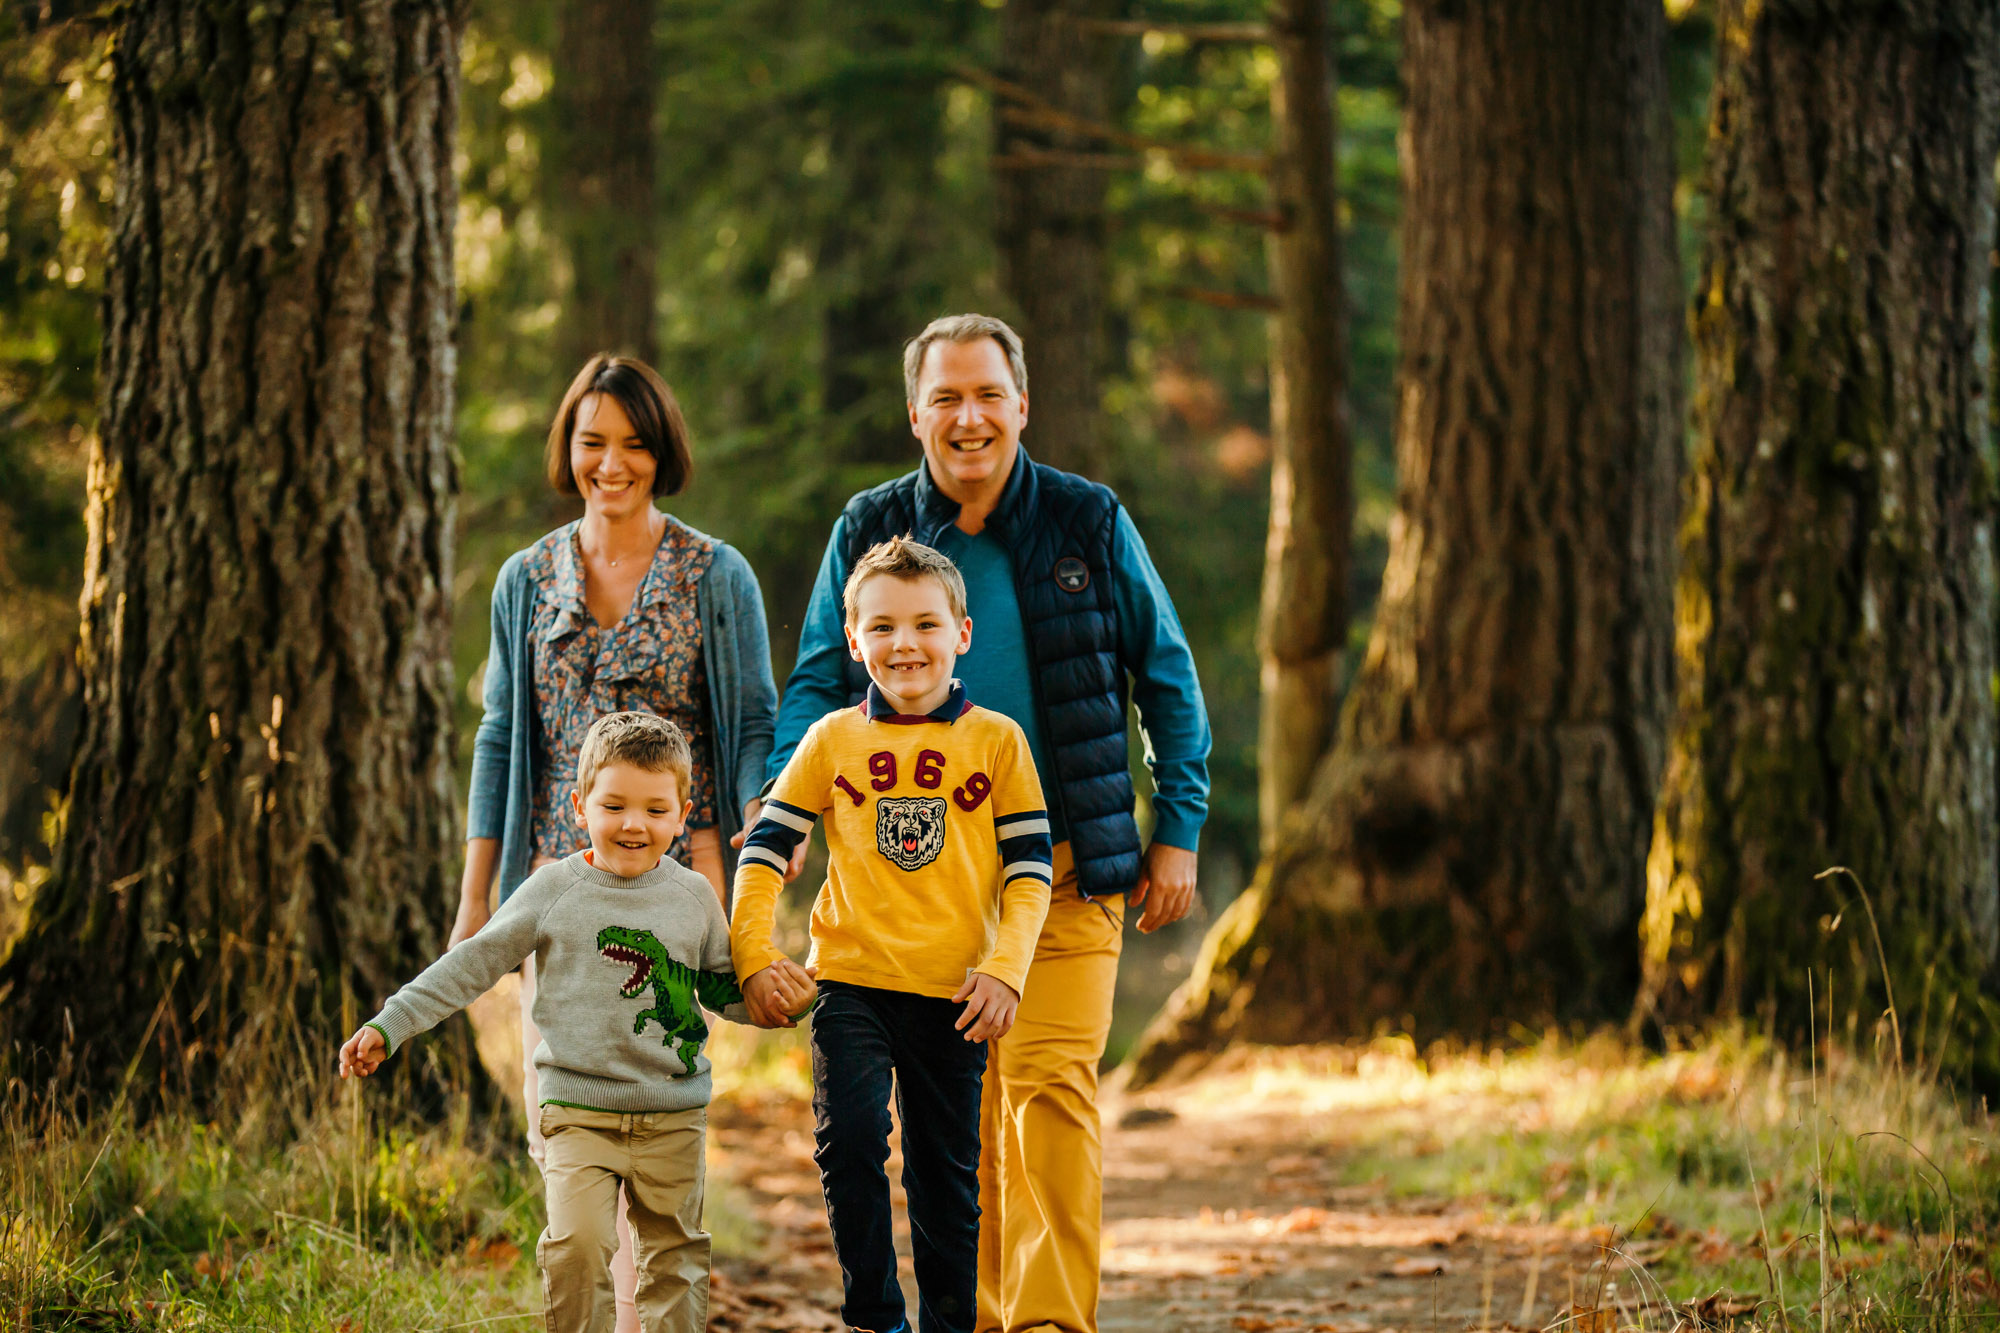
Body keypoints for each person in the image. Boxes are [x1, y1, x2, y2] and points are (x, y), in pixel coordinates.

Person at [766, 314, 1211, 1333]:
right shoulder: (868, 528)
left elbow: (1166, 673)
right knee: (956, 1124)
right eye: (945, 398)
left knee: (1047, 1088)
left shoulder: (1086, 521)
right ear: (914, 413)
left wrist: (1176, 822)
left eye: (986, 395)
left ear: (1022, 404)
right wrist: (785, 816)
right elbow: (814, 683)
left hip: (1061, 874)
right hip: (916, 893)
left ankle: (1049, 1323)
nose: (967, 417)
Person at [454, 354, 778, 1332]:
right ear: (569, 448)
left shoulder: (714, 575)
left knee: (654, 1122)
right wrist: (478, 900)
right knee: (568, 1137)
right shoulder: (526, 579)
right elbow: (502, 736)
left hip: (681, 879)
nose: (612, 462)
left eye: (633, 443)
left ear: (661, 450)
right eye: (593, 440)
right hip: (554, 884)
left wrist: (753, 839)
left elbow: (753, 722)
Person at [339, 713, 812, 1333]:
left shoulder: (694, 895)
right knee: (577, 1246)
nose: (633, 824)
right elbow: (472, 963)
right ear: (579, 804)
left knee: (676, 1261)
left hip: (672, 1114)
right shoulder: (553, 889)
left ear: (682, 813)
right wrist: (391, 1022)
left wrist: (777, 1004)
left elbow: (722, 989)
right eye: (613, 804)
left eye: (654, 808)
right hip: (577, 1112)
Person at [733, 537, 1055, 1333]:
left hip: (956, 992)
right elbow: (765, 851)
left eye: (924, 624)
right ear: (854, 642)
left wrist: (1006, 969)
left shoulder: (1000, 742)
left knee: (948, 1179)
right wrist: (753, 954)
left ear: (962, 633)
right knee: (847, 1147)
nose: (903, 643)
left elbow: (1030, 873)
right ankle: (877, 1319)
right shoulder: (833, 739)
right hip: (850, 979)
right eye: (881, 627)